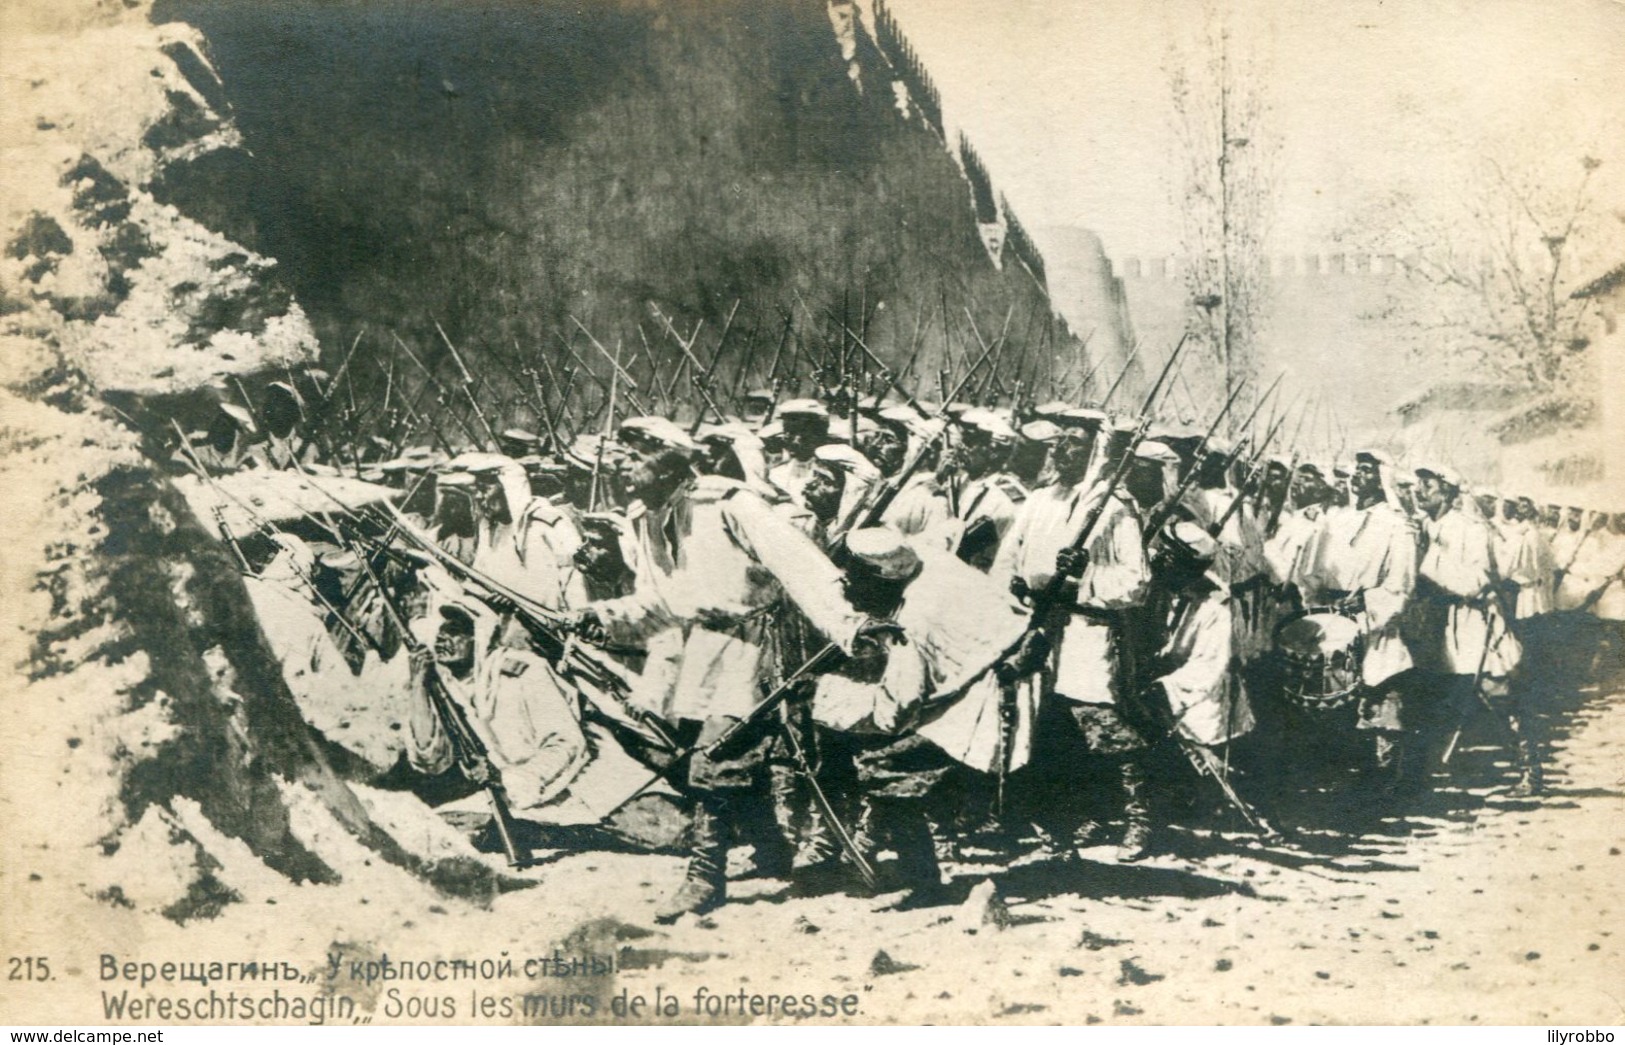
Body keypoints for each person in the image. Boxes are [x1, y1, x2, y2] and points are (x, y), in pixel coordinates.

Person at [576, 415, 893, 921]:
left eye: (636, 457)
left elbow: (801, 567)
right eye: (623, 455)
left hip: (758, 642)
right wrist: (604, 619)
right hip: (696, 649)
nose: (622, 465)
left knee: (719, 755)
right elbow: (660, 601)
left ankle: (705, 878)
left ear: (669, 462)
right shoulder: (645, 517)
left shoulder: (730, 503)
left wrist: (849, 625)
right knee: (693, 753)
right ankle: (772, 853)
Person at [994, 408, 1153, 860]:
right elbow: (1008, 560)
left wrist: (1082, 579)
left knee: (1104, 728)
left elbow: (1136, 583)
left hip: (1087, 629)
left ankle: (1138, 818)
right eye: (1056, 442)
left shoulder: (1114, 507)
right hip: (1037, 628)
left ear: (1095, 451)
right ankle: (1058, 830)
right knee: (1045, 732)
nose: (1059, 450)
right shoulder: (1039, 501)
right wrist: (1015, 593)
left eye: (1073, 443)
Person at [1412, 465, 1537, 796]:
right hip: (1438, 621)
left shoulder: (1471, 529)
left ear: (1449, 492)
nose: (1419, 490)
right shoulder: (1421, 527)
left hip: (1474, 619)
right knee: (1437, 692)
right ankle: (1432, 770)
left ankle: (1529, 769)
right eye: (1418, 484)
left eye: (1428, 485)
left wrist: (1434, 582)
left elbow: (1479, 579)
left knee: (1496, 691)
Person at [1302, 451, 1420, 786]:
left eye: (1366, 471)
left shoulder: (1399, 526)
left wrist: (1365, 602)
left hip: (1373, 626)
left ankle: (1382, 783)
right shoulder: (1337, 521)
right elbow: (1315, 571)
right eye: (1357, 470)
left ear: (1383, 480)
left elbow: (1401, 586)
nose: (1357, 477)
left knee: (1378, 702)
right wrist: (1318, 600)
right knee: (1332, 702)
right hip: (1333, 621)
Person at [946, 408, 1026, 571]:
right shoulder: (957, 482)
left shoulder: (1007, 498)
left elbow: (1008, 558)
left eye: (969, 442)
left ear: (993, 452)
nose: (961, 448)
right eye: (962, 440)